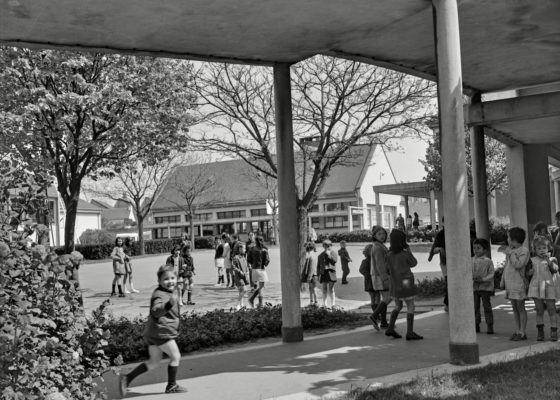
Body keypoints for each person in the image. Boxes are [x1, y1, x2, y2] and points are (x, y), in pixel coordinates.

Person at [119, 265, 187, 397]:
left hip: (154, 332)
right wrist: (168, 304)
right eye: (166, 279)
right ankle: (171, 385)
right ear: (160, 281)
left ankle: (127, 378)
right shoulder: (159, 295)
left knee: (154, 362)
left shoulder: (167, 292)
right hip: (161, 333)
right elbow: (156, 311)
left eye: (172, 278)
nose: (170, 281)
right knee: (176, 356)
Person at [384, 229, 423, 340]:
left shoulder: (389, 255)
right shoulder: (405, 254)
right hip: (406, 282)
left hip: (395, 283)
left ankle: (390, 327)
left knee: (398, 306)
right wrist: (409, 251)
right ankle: (410, 332)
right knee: (411, 305)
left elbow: (387, 270)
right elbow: (414, 263)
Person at [500, 227, 530, 341]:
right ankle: (517, 330)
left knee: (520, 307)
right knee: (514, 308)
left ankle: (522, 332)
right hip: (510, 284)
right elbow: (507, 267)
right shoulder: (510, 250)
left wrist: (511, 254)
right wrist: (502, 280)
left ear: (514, 239)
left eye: (508, 237)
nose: (507, 239)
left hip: (519, 284)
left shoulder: (524, 251)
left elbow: (518, 265)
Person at [527, 235, 559, 341]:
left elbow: (555, 269)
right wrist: (529, 273)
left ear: (548, 248)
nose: (542, 250)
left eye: (544, 248)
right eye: (539, 248)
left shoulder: (552, 259)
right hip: (536, 287)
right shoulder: (532, 260)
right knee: (539, 310)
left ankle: (554, 331)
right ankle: (540, 332)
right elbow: (527, 273)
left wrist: (549, 261)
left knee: (551, 310)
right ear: (535, 250)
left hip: (549, 286)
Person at [472, 238, 495, 334]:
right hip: (475, 288)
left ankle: (490, 325)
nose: (476, 250)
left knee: (487, 307)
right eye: (474, 248)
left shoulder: (488, 261)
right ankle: (476, 324)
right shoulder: (472, 260)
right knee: (475, 307)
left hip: (485, 288)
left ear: (484, 250)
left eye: (478, 248)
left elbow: (491, 273)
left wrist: (484, 279)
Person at [369, 226, 390, 330]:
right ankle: (374, 316)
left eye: (383, 234)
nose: (382, 236)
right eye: (379, 234)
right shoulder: (377, 247)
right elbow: (380, 265)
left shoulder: (380, 245)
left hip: (380, 276)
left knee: (385, 299)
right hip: (380, 276)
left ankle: (384, 322)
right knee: (388, 298)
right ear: (374, 236)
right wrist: (385, 279)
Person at [428, 217, 447, 311]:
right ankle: (447, 303)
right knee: (449, 282)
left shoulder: (459, 231)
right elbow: (435, 248)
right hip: (445, 263)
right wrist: (440, 250)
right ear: (443, 223)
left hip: (459, 262)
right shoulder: (440, 234)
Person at [247, 235, 270, 307]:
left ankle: (258, 302)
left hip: (254, 269)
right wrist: (264, 262)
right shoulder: (264, 250)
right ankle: (257, 301)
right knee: (261, 287)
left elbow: (248, 259)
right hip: (261, 269)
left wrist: (252, 263)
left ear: (255, 241)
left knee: (260, 286)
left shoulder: (251, 249)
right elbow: (267, 261)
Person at [358, 243, 379, 322]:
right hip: (370, 282)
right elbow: (361, 270)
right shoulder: (366, 261)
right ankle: (376, 314)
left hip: (372, 281)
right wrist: (370, 275)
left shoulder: (374, 260)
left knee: (375, 298)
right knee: (375, 298)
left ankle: (376, 314)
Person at [317, 239, 338, 308]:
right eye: (325, 246)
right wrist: (318, 275)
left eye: (329, 246)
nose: (327, 247)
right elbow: (318, 266)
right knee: (324, 288)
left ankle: (333, 304)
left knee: (331, 288)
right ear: (323, 246)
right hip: (324, 273)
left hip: (331, 272)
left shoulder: (333, 253)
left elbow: (334, 261)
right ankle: (324, 304)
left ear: (331, 246)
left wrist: (329, 255)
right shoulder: (320, 255)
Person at [232, 242, 249, 310]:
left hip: (244, 276)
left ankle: (241, 304)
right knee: (244, 290)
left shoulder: (244, 257)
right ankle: (237, 304)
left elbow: (246, 265)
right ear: (240, 249)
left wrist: (247, 269)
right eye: (244, 248)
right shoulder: (236, 257)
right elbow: (233, 267)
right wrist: (240, 271)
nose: (245, 249)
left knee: (240, 291)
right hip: (239, 277)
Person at [302, 241, 318, 306]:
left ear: (308, 248)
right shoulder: (312, 254)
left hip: (312, 275)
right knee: (311, 288)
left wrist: (309, 277)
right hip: (312, 275)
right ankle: (311, 301)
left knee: (313, 288)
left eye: (305, 248)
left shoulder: (311, 256)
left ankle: (316, 302)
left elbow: (311, 268)